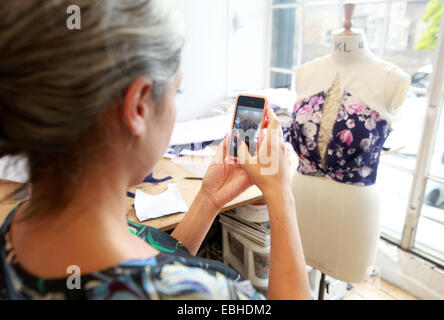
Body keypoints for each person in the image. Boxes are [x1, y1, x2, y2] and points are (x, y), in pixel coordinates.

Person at [0, 0, 311, 300]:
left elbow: (154, 263)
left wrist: (207, 201)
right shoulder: (208, 293)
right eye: (178, 91)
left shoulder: (15, 226)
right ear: (138, 105)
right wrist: (281, 195)